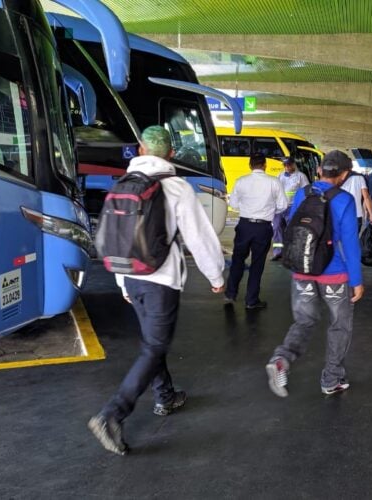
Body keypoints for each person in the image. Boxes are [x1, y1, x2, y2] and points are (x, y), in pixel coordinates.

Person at [88, 126, 226, 456]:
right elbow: (198, 237)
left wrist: (122, 281)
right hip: (160, 279)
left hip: (130, 276)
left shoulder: (121, 184)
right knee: (155, 345)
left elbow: (118, 238)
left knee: (153, 341)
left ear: (140, 150)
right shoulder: (176, 187)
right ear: (171, 154)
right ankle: (112, 414)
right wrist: (216, 275)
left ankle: (165, 395)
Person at [265, 150, 364, 397]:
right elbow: (350, 243)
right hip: (334, 275)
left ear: (319, 170)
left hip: (303, 271)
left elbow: (295, 230)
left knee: (304, 321)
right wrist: (357, 280)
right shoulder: (345, 199)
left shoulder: (302, 193)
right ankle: (332, 379)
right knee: (339, 326)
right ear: (344, 175)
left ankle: (281, 359)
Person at [226, 152, 288, 309]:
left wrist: (247, 208)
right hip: (263, 227)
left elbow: (233, 204)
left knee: (238, 259)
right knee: (257, 263)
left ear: (250, 165)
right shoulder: (274, 182)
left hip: (244, 226)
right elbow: (283, 205)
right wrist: (269, 210)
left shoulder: (241, 181)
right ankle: (251, 300)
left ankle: (230, 293)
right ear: (265, 165)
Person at [271, 157, 309, 261]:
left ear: (293, 164)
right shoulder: (280, 175)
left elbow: (306, 192)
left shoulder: (301, 176)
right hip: (279, 207)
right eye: (285, 165)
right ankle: (278, 252)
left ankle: (292, 252)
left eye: (288, 165)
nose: (287, 167)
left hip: (292, 207)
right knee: (276, 228)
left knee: (291, 230)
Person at [340, 166, 372, 231]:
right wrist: (371, 214)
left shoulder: (338, 178)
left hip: (342, 215)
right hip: (356, 214)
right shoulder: (360, 177)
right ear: (351, 167)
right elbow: (366, 197)